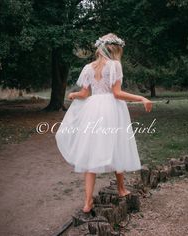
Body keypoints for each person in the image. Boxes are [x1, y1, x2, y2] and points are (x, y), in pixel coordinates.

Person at [55, 33, 153, 213]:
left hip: (93, 110)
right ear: (114, 50)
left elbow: (84, 94)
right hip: (111, 109)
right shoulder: (115, 66)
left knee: (91, 152)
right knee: (116, 146)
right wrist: (141, 97)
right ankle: (121, 189)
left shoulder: (88, 67)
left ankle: (87, 202)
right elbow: (117, 93)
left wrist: (73, 95)